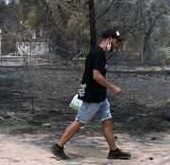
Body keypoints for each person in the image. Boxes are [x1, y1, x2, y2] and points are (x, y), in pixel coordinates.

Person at [50, 29, 131, 160]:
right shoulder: (98, 53)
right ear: (109, 39)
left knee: (107, 120)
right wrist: (113, 87)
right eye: (116, 42)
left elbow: (85, 71)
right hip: (93, 97)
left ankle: (113, 151)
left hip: (100, 97)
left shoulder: (96, 52)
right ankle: (58, 146)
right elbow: (96, 75)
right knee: (79, 121)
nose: (117, 45)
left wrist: (82, 89)